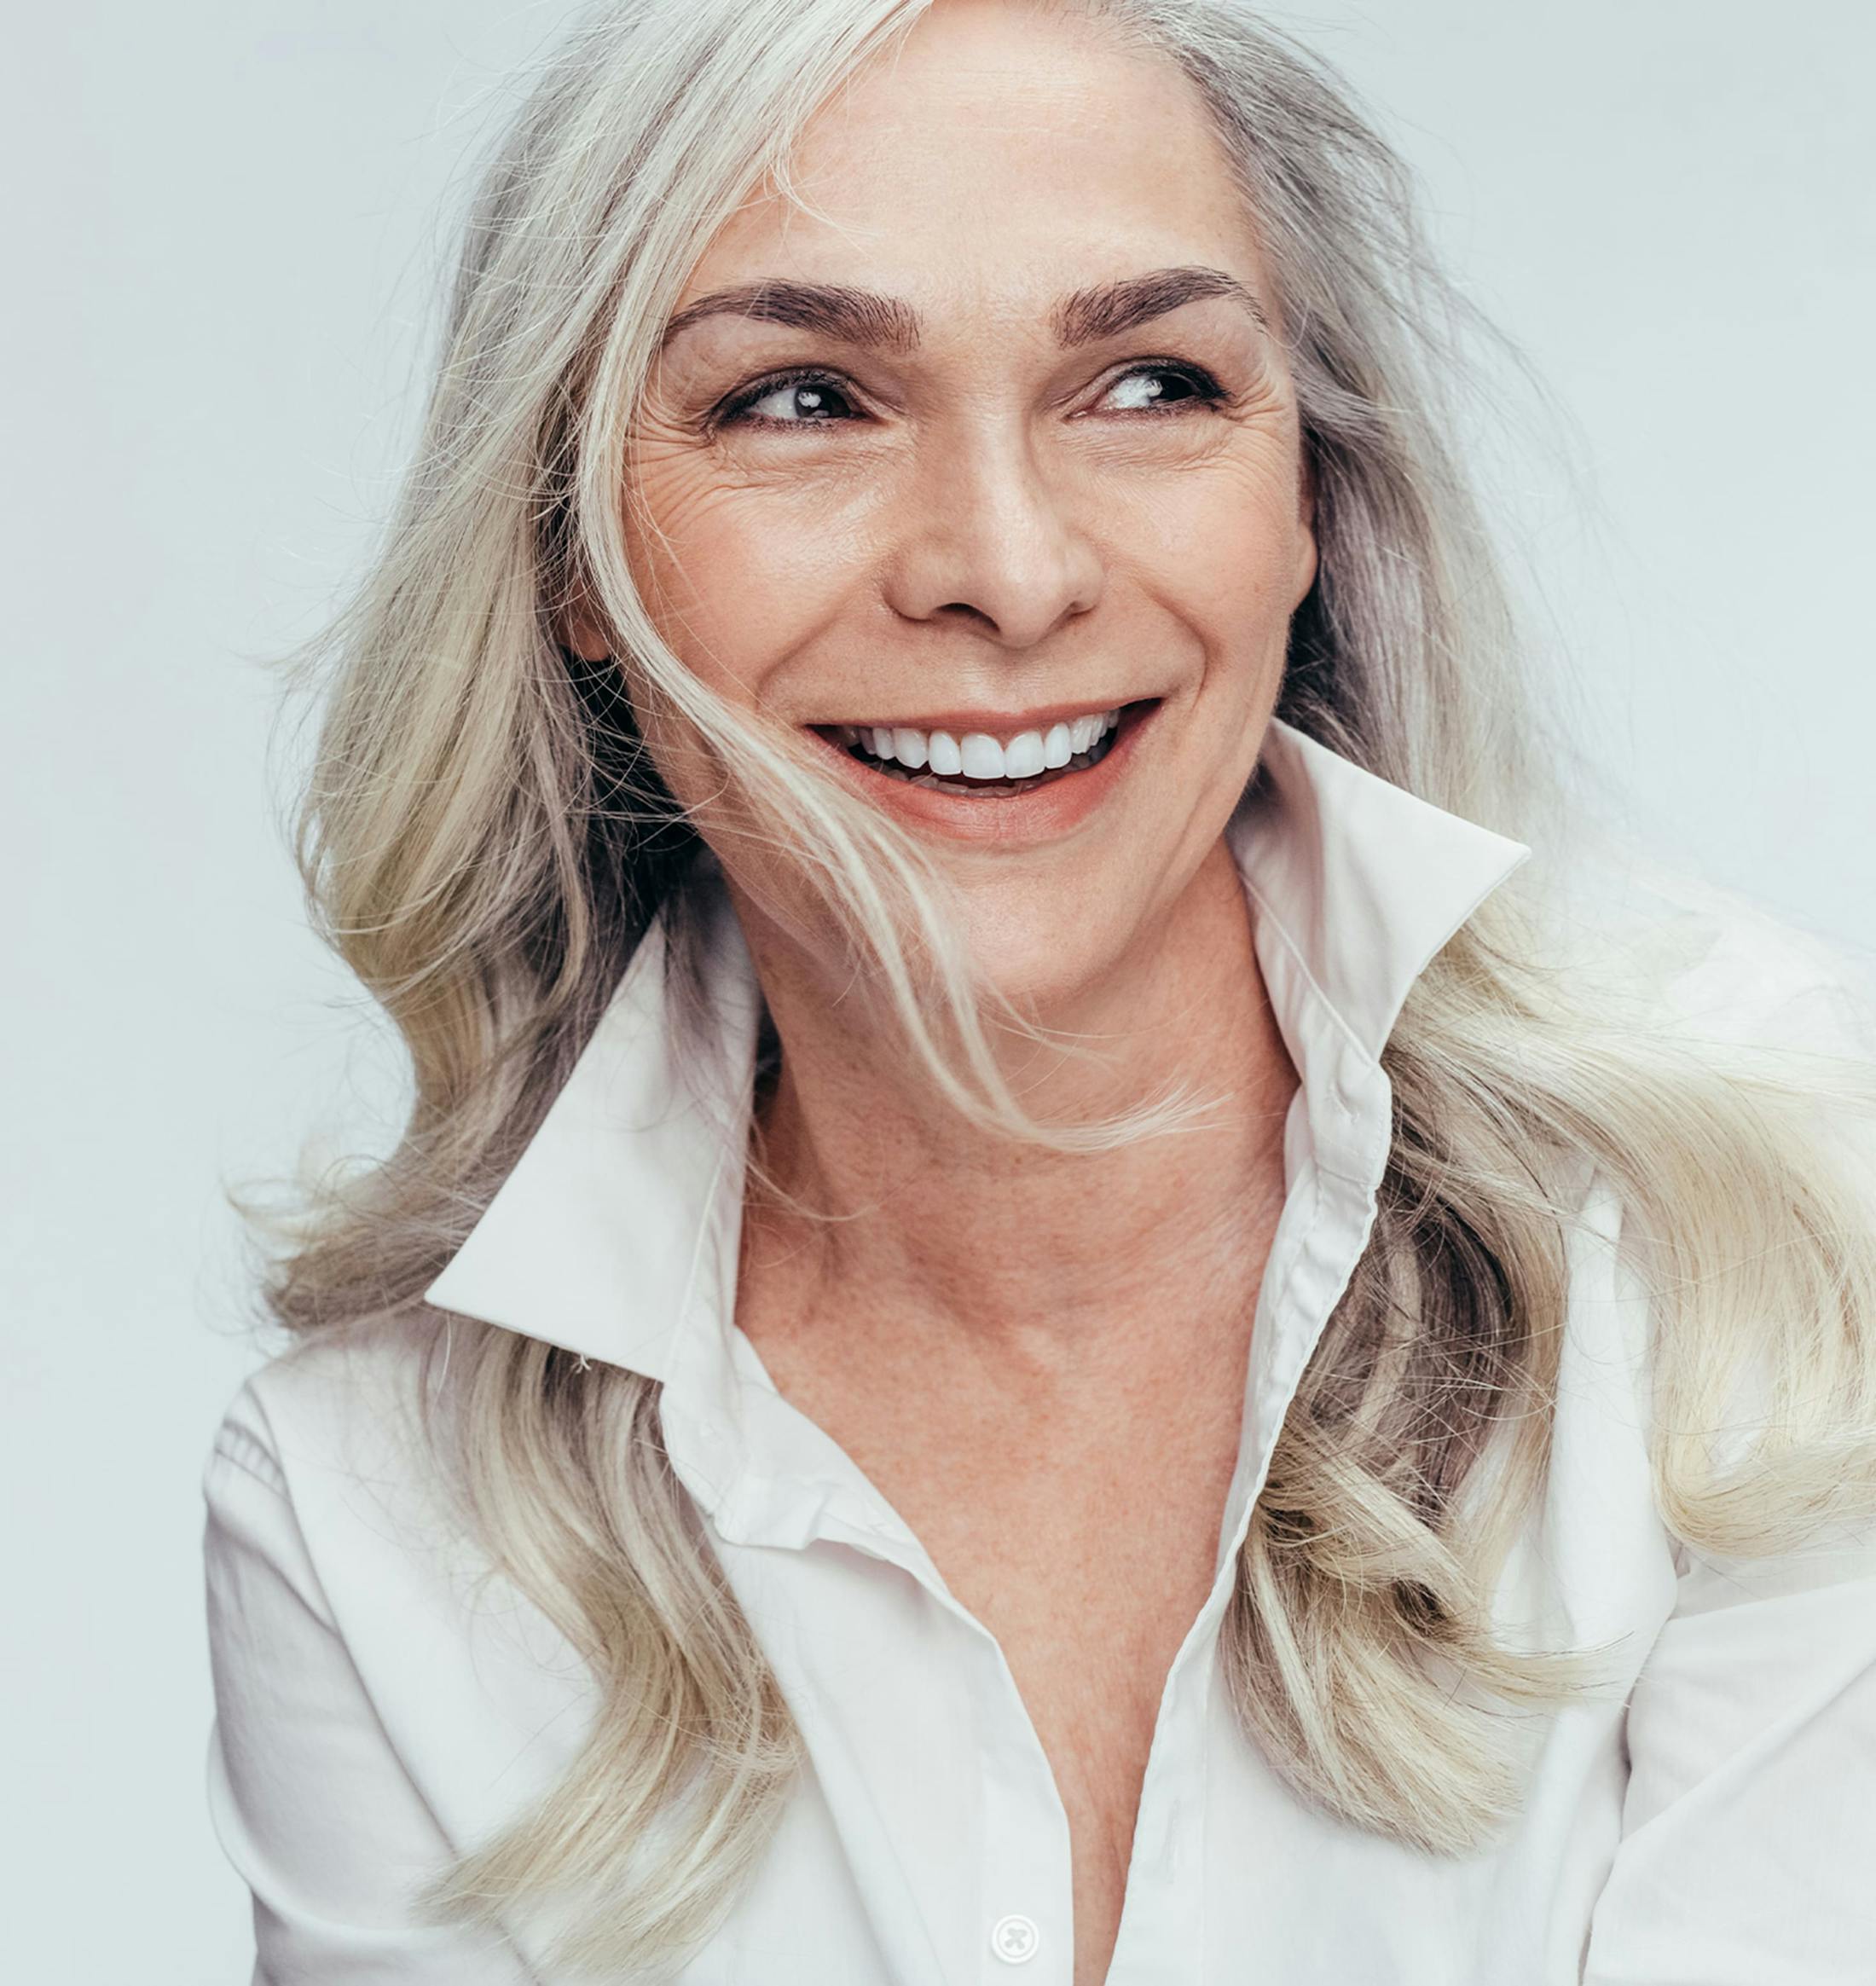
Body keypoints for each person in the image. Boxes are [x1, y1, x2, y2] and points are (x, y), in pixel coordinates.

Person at [200, 2, 1876, 1981]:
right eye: (801, 400)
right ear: (570, 548)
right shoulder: (363, 1507)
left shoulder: (1783, 1216)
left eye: (1147, 381)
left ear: (1307, 512)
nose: (1004, 569)